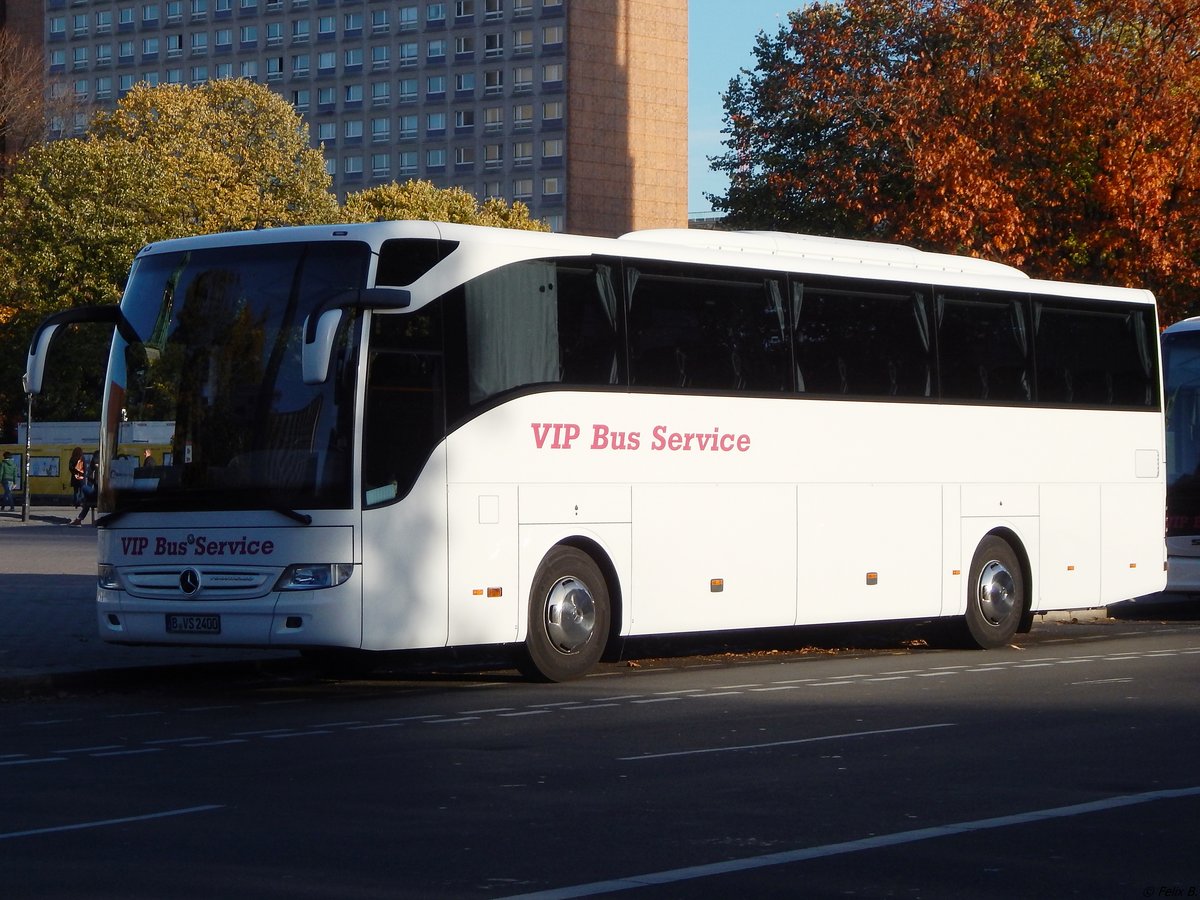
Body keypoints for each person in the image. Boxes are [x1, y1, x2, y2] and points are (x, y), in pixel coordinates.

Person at [70, 453, 99, 526]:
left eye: (95, 458)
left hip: (98, 495)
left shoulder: (98, 468)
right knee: (88, 499)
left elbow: (95, 482)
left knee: (83, 487)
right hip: (98, 494)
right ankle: (79, 517)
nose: (94, 460)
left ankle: (79, 518)